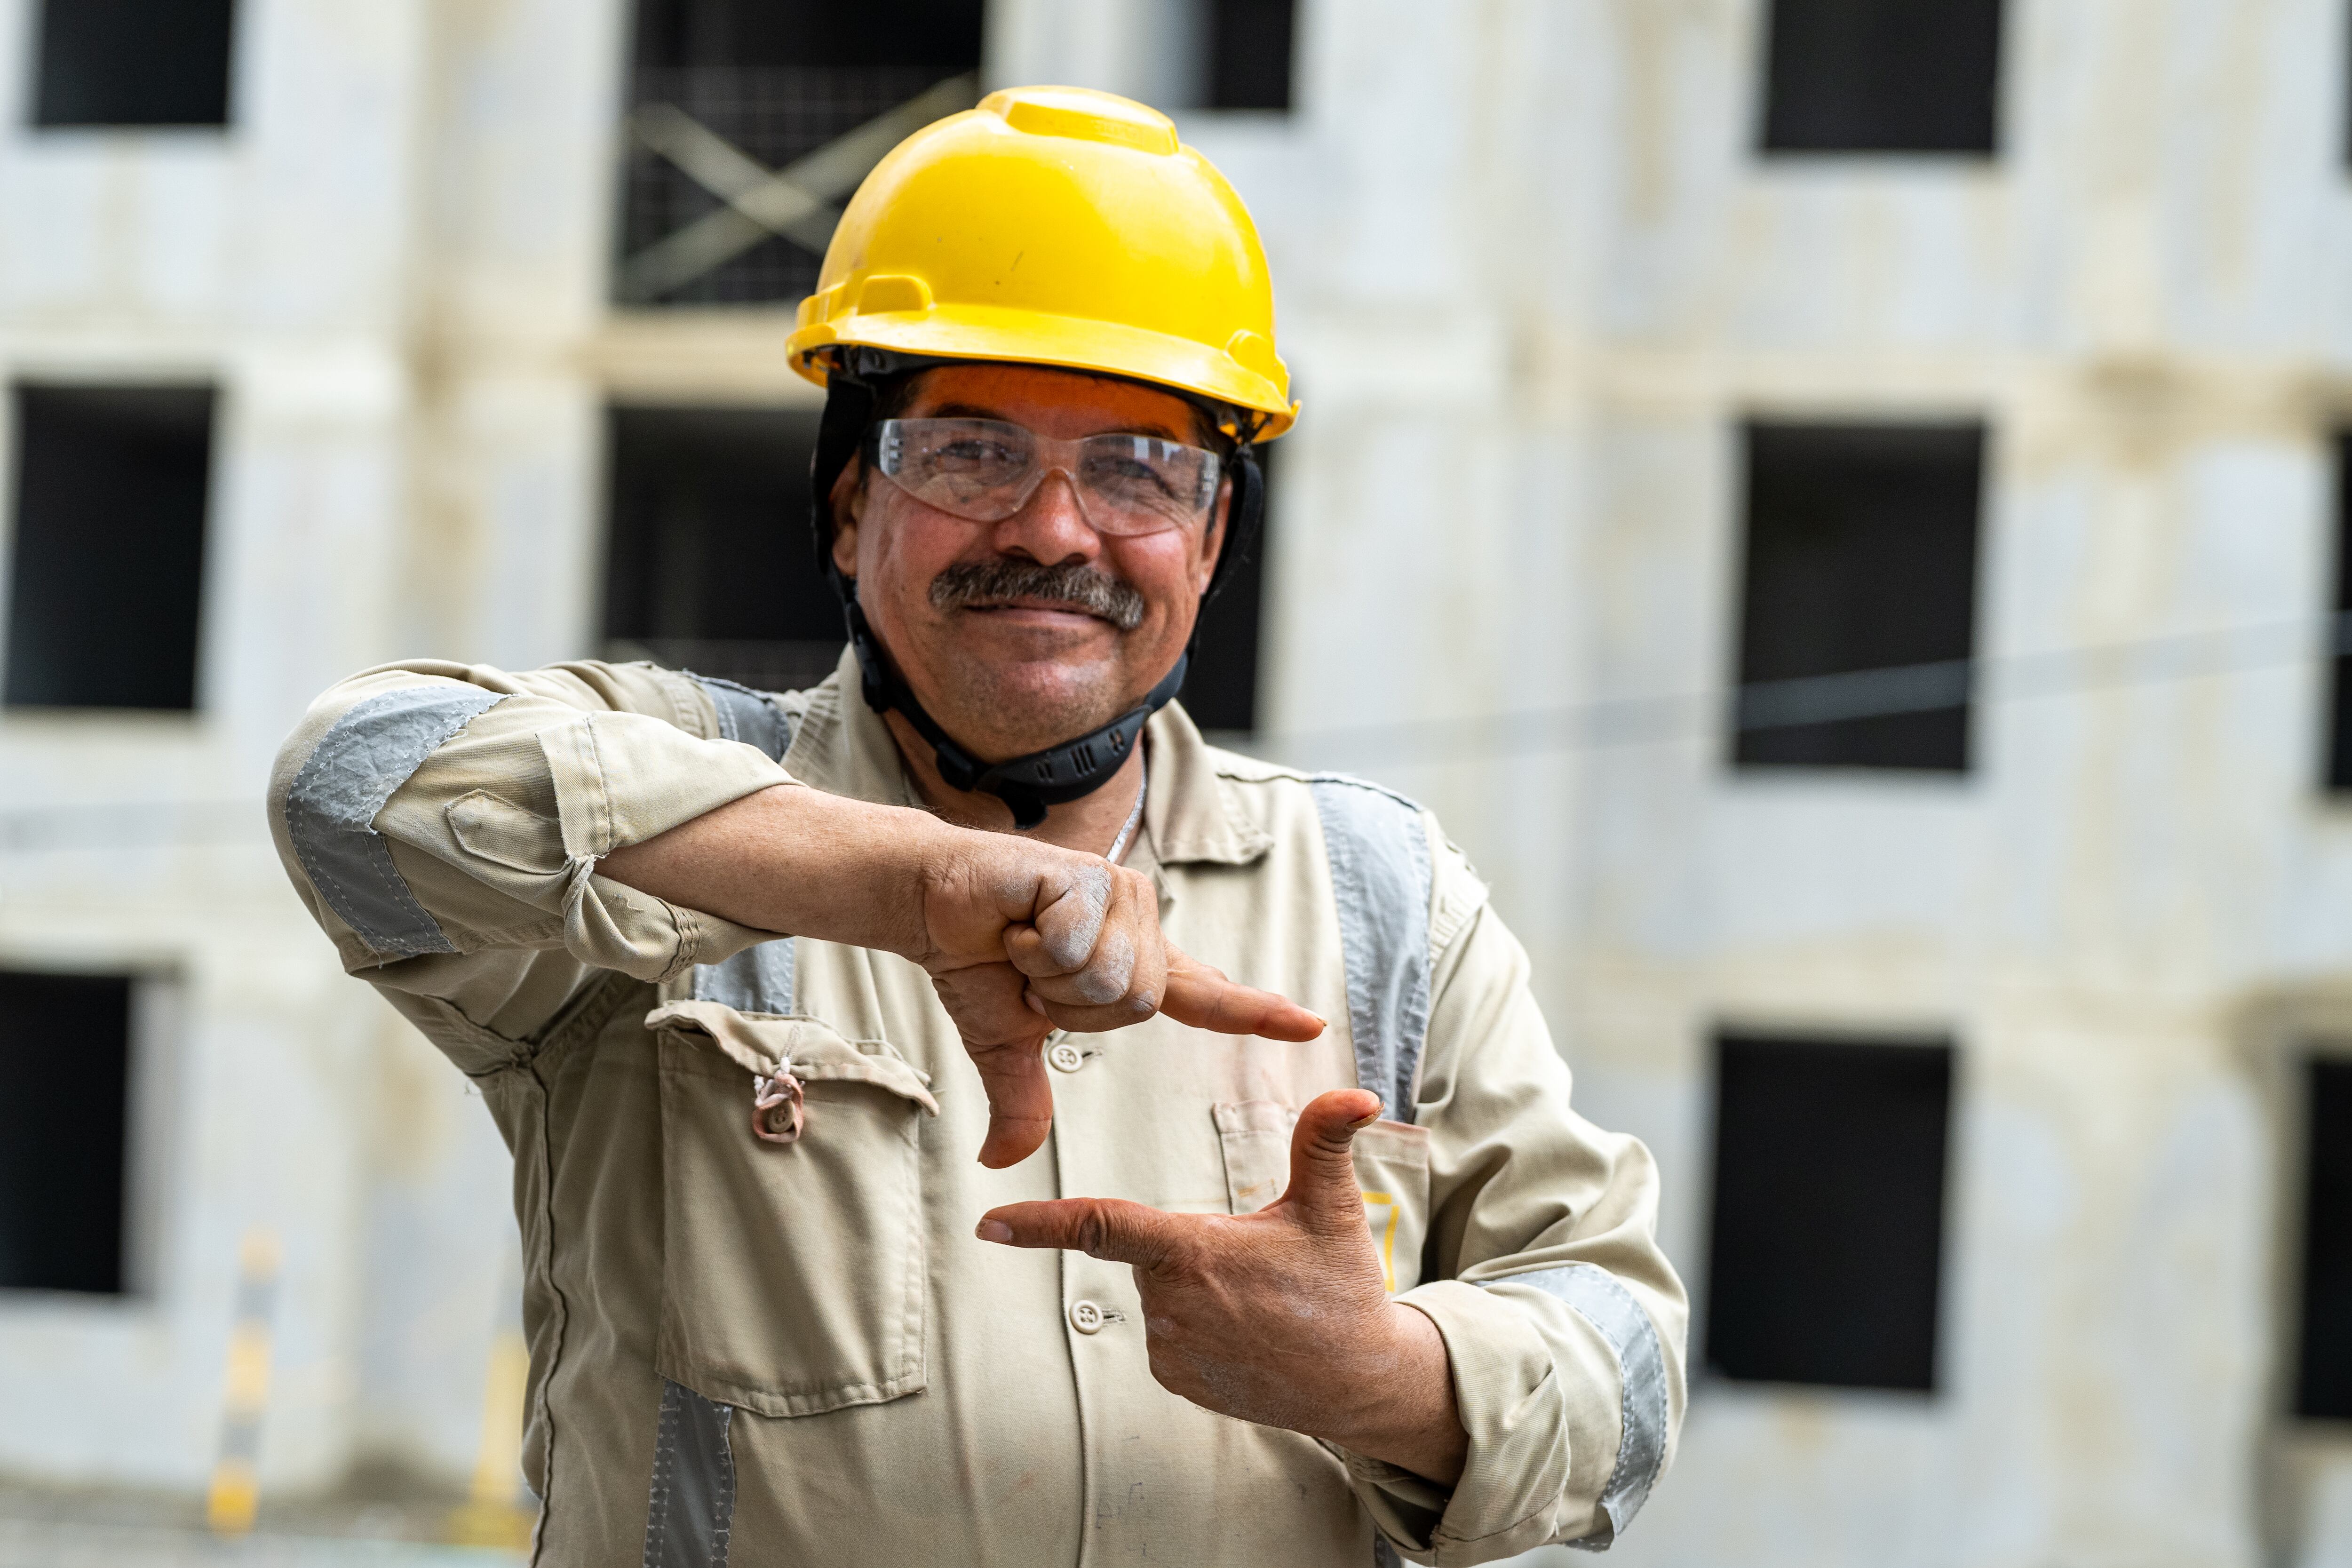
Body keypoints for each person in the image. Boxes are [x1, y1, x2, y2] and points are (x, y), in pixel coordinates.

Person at [268, 85, 1685, 1568]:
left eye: (1138, 469)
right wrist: (909, 879)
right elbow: (354, 782)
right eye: (972, 453)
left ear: (1211, 540)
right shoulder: (686, 804)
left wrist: (1387, 1379)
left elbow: (1627, 1360)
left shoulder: (1384, 896)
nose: (1054, 529)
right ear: (847, 509)